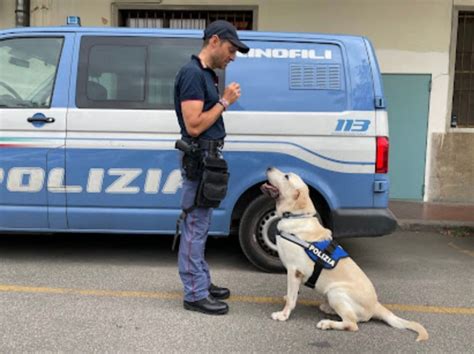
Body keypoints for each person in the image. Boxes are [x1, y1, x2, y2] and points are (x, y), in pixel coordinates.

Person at [174, 20, 249, 315]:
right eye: (231, 50)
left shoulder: (207, 74)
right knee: (195, 226)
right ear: (214, 41)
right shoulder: (193, 73)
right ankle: (194, 293)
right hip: (199, 160)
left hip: (208, 160)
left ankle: (201, 282)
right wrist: (225, 102)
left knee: (200, 225)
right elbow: (193, 126)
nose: (233, 57)